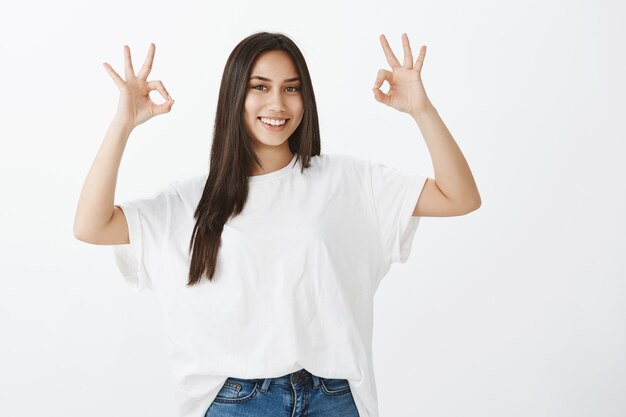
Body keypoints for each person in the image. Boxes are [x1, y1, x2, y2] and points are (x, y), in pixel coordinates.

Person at [73, 31, 481, 417]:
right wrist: (122, 124)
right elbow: (91, 226)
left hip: (334, 397)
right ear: (235, 95)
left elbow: (459, 197)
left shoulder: (348, 181)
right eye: (260, 87)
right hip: (238, 400)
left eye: (291, 88)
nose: (278, 104)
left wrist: (421, 111)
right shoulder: (188, 201)